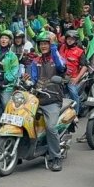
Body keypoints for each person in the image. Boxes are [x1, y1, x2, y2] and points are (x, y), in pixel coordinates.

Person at [29, 31, 67, 172]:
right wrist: (26, 81)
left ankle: (56, 157)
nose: (43, 46)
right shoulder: (35, 61)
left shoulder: (57, 57)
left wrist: (54, 46)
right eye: (41, 44)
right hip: (36, 99)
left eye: (46, 43)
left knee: (51, 127)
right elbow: (33, 79)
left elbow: (61, 67)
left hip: (52, 100)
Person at [58, 29, 88, 112]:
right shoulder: (61, 47)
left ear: (75, 40)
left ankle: (75, 112)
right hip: (60, 76)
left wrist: (77, 79)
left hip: (72, 78)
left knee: (73, 92)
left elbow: (85, 66)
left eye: (72, 39)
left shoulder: (80, 51)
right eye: (68, 38)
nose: (70, 40)